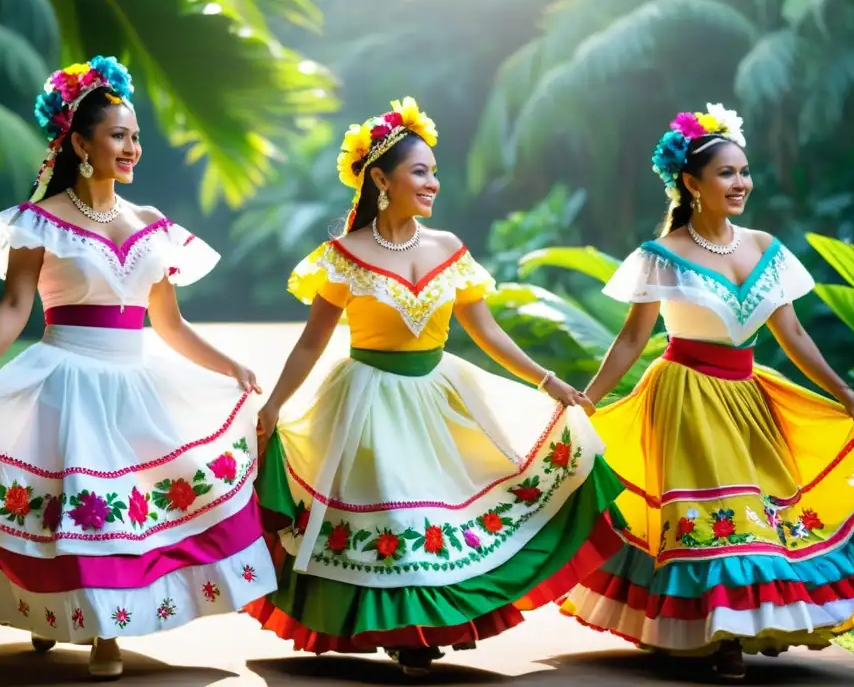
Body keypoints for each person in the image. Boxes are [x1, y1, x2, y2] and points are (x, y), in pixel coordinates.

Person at [0, 57, 276, 680]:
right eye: (118, 134)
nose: (131, 147)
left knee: (125, 507)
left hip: (135, 378)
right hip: (64, 374)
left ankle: (101, 628)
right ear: (79, 142)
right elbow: (15, 307)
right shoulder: (39, 222)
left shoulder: (152, 227)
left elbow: (168, 324)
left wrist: (232, 366)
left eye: (136, 135)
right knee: (72, 509)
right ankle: (66, 615)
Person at [245, 97, 625, 674]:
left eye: (433, 172)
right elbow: (309, 343)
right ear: (380, 179)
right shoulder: (344, 258)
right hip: (366, 401)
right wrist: (274, 405)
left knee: (442, 514)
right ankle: (408, 635)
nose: (432, 183)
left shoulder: (448, 248)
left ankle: (423, 632)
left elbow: (487, 331)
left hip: (440, 393)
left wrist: (548, 382)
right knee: (394, 519)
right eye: (419, 171)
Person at [560, 104, 854, 680]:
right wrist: (589, 397)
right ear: (691, 183)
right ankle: (723, 639)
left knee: (766, 518)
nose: (740, 182)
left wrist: (839, 387)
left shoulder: (765, 246)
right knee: (722, 517)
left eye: (744, 171)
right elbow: (629, 341)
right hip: (685, 396)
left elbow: (791, 333)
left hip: (749, 394)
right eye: (726, 173)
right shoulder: (660, 257)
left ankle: (750, 625)